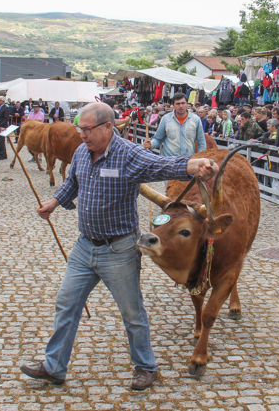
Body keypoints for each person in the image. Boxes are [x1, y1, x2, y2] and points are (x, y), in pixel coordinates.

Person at [20, 103, 218, 391]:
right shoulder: (80, 152)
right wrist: (54, 202)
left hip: (119, 250)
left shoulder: (128, 154)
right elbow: (74, 181)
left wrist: (193, 165)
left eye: (87, 129)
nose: (82, 134)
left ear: (107, 127)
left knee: (132, 313)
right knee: (66, 305)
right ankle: (54, 367)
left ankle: (146, 367)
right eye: (80, 128)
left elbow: (161, 164)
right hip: (84, 247)